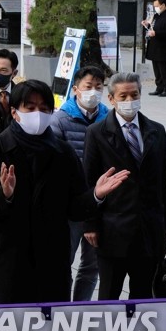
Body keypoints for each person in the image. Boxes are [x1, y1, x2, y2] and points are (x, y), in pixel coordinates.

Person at [0, 79, 129, 305]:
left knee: (50, 330)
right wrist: (3, 195)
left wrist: (96, 195)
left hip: (51, 258)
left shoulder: (62, 152)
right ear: (15, 112)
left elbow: (75, 208)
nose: (38, 114)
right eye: (30, 108)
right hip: (8, 259)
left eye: (44, 109)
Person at [84, 72, 166, 300]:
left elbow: (164, 179)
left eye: (134, 94)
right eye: (123, 96)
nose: (129, 100)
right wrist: (90, 223)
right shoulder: (97, 133)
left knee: (143, 294)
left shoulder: (156, 131)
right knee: (109, 294)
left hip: (149, 228)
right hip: (113, 229)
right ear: (111, 99)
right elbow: (89, 180)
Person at [50, 65, 108, 301]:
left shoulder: (108, 117)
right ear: (75, 89)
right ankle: (62, 307)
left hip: (100, 201)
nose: (93, 92)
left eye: (98, 87)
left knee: (92, 264)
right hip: (71, 204)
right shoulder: (60, 119)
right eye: (88, 87)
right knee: (64, 260)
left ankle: (81, 306)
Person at [144, 0, 166, 96]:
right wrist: (146, 24)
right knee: (156, 68)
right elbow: (153, 26)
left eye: (157, 6)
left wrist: (156, 33)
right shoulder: (157, 15)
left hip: (163, 46)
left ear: (163, 5)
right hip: (154, 46)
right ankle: (159, 87)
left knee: (164, 68)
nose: (155, 8)